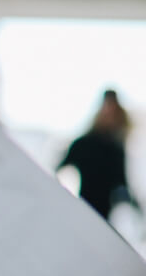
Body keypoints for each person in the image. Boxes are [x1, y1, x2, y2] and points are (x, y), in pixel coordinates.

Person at [58, 89, 138, 222]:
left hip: (103, 217)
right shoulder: (83, 144)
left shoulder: (115, 150)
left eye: (113, 112)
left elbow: (122, 182)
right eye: (107, 109)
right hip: (84, 210)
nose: (109, 115)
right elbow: (60, 170)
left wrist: (137, 211)